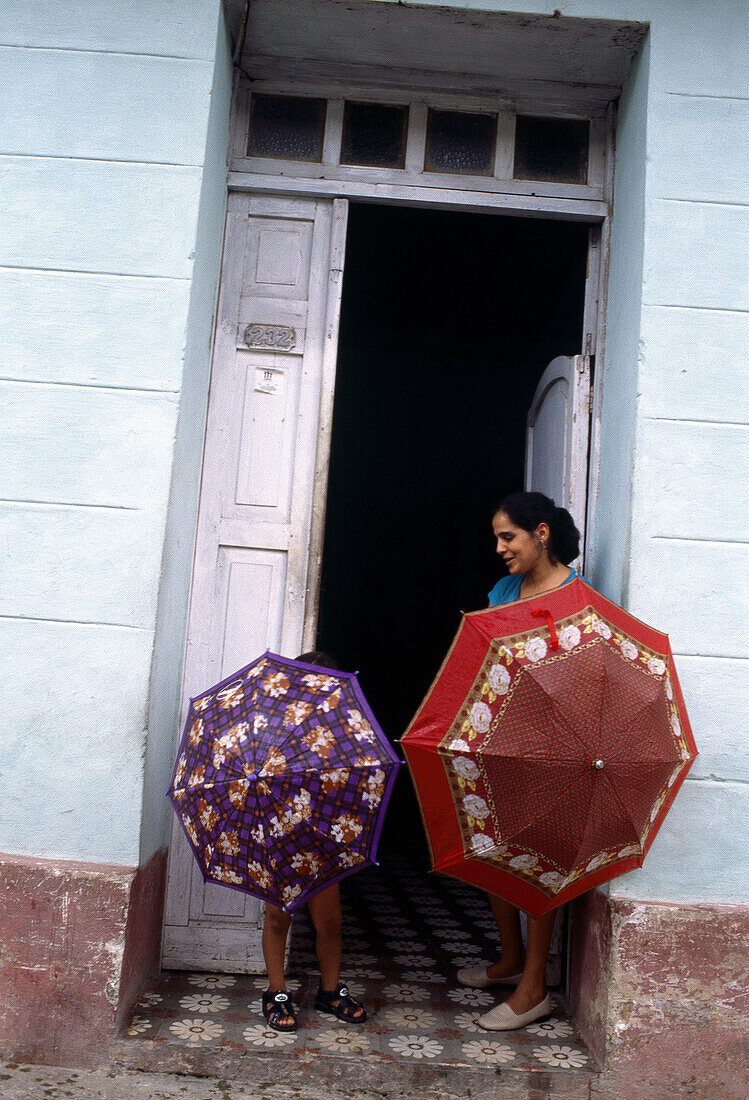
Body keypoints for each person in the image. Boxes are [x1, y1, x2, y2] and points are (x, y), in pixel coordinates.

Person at [456, 491, 581, 1032]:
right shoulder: (504, 590)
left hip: (552, 744)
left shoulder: (579, 596)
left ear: (542, 533)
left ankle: (534, 989)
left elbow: (576, 675)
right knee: (492, 845)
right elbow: (486, 655)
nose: (500, 548)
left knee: (540, 858)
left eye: (509, 536)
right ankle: (509, 960)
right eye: (497, 538)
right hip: (499, 732)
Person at [261, 650, 367, 1032]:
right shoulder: (276, 730)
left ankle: (330, 991)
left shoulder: (345, 735)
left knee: (331, 922)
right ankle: (277, 992)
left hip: (324, 838)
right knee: (278, 917)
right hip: (281, 835)